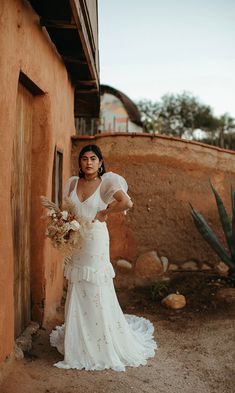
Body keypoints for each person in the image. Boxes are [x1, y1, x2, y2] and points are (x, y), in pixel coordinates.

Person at [50, 144, 157, 371]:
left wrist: (105, 212)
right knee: (77, 285)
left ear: (100, 163)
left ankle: (100, 342)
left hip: (96, 241)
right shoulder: (72, 182)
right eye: (84, 159)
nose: (88, 162)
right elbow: (65, 209)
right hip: (75, 241)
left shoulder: (106, 182)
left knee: (95, 285)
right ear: (80, 162)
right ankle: (77, 340)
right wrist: (63, 226)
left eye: (93, 159)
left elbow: (127, 202)